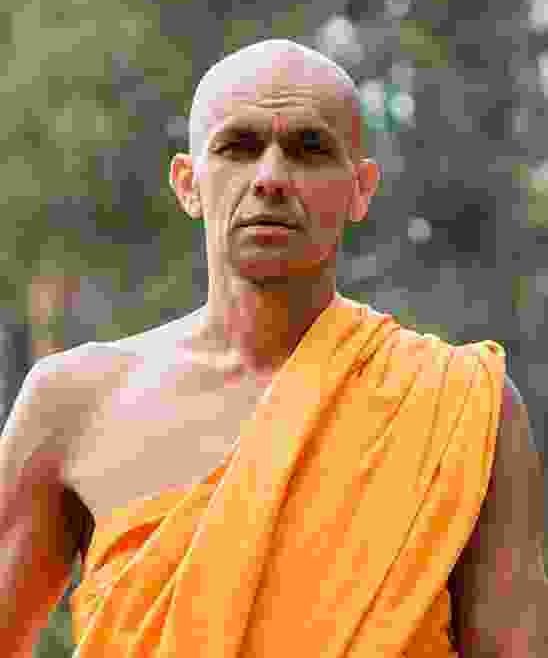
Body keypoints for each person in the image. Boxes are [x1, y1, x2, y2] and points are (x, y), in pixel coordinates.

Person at [0, 39, 546, 657]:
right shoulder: (73, 406)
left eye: (310, 150)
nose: (271, 179)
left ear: (360, 189)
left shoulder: (463, 407)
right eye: (238, 147)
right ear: (188, 184)